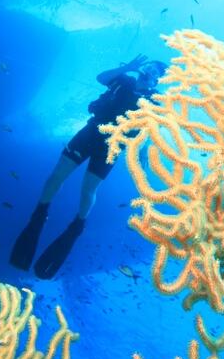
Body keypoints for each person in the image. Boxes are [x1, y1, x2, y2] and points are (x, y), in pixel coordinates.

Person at [10, 55, 168, 279]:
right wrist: (130, 68)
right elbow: (101, 77)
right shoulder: (124, 81)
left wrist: (144, 151)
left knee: (88, 190)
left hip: (112, 146)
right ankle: (40, 212)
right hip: (89, 133)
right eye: (150, 68)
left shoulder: (154, 101)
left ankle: (77, 225)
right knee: (57, 176)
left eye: (156, 73)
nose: (150, 72)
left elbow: (152, 128)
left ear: (158, 81)